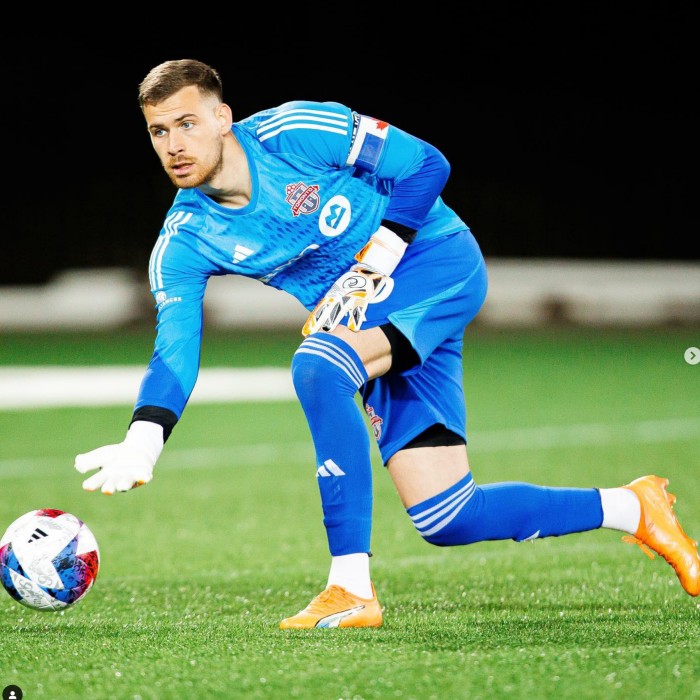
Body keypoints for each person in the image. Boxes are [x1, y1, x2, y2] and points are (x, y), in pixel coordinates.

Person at [74, 59, 699, 629]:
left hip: (434, 262)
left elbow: (428, 164)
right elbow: (174, 349)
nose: (174, 144)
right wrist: (144, 439)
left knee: (319, 366)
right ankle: (633, 507)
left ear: (222, 117)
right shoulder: (186, 238)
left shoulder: (294, 132)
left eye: (186, 123)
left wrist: (378, 256)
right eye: (158, 131)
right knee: (446, 515)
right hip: (367, 318)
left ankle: (350, 588)